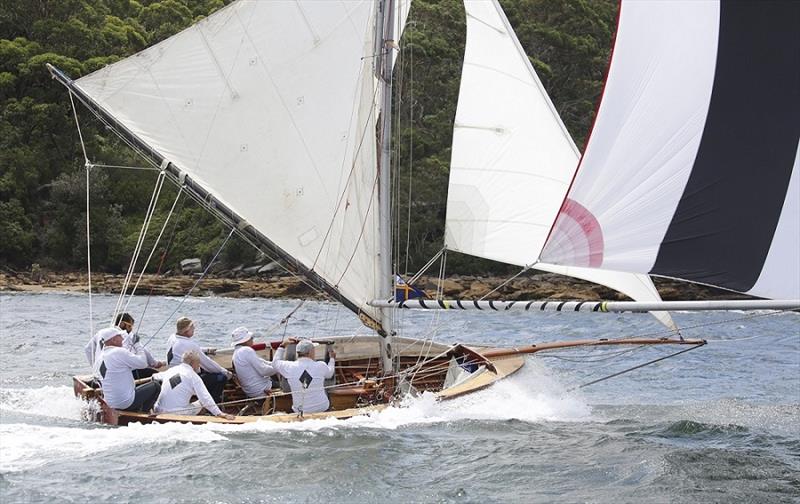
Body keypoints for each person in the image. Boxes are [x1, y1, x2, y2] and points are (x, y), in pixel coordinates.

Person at [165, 316, 231, 403]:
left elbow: (192, 349)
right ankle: (212, 402)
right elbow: (208, 364)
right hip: (184, 380)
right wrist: (226, 372)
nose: (194, 329)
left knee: (204, 371)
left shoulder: (173, 337)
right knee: (221, 377)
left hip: (173, 376)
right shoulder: (188, 344)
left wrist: (206, 350)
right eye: (192, 327)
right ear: (186, 330)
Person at [94, 326, 160, 412]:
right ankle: (141, 413)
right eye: (119, 336)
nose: (122, 339)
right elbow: (143, 363)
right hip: (125, 403)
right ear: (113, 340)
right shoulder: (118, 352)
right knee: (156, 386)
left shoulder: (100, 356)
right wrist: (137, 344)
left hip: (110, 403)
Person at [153, 350, 235, 420]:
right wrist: (220, 414)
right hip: (176, 413)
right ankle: (206, 415)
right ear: (193, 364)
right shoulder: (193, 376)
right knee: (201, 402)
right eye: (198, 363)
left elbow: (155, 377)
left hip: (158, 409)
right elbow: (205, 398)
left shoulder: (171, 370)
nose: (199, 366)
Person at [272, 338, 336, 415]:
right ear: (310, 352)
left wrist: (282, 346)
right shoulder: (321, 365)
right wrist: (332, 359)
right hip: (322, 408)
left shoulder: (289, 367)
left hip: (300, 411)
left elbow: (275, 363)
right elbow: (330, 374)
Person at [231, 327, 278, 398]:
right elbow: (264, 371)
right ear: (245, 340)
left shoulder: (236, 352)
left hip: (250, 391)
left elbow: (262, 362)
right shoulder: (246, 350)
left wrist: (275, 364)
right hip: (261, 390)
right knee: (287, 385)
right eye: (251, 338)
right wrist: (279, 367)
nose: (252, 339)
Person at [115, 313, 164, 378]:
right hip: (132, 373)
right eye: (129, 326)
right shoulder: (128, 336)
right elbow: (146, 355)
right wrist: (157, 363)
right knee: (161, 377)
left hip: (118, 374)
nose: (131, 329)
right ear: (122, 324)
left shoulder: (108, 337)